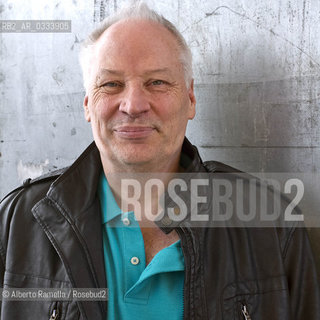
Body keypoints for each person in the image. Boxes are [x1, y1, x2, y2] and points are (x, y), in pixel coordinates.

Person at [0, 2, 319, 319]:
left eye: (157, 82)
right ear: (87, 105)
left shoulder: (271, 224)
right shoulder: (19, 223)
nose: (134, 104)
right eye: (111, 84)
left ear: (191, 99)